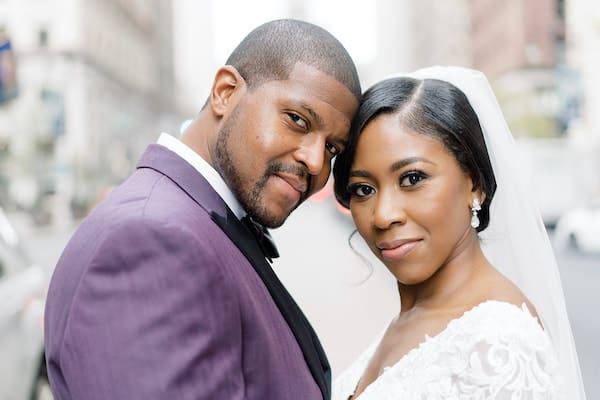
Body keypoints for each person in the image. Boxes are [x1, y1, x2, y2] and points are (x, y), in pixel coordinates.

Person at [44, 19, 360, 400]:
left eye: (332, 149)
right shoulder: (151, 240)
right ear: (225, 92)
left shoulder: (193, 221)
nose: (315, 163)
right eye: (297, 120)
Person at [331, 66, 586, 399]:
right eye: (363, 189)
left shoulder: (498, 345)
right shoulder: (406, 322)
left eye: (412, 179)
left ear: (475, 185)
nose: (383, 215)